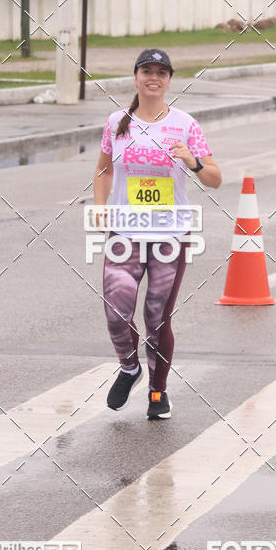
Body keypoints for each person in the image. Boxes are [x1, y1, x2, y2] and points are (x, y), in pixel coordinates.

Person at [93, 48, 221, 420]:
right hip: (125, 232)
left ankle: (157, 391)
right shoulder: (117, 122)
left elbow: (215, 178)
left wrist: (192, 161)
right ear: (136, 77)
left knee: (156, 316)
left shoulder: (185, 124)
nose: (153, 78)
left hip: (170, 236)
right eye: (146, 71)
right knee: (116, 309)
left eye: (161, 72)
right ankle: (129, 367)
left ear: (168, 80)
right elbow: (103, 170)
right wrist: (100, 206)